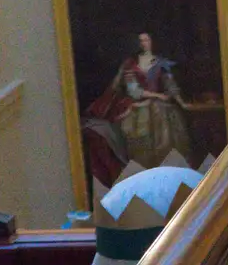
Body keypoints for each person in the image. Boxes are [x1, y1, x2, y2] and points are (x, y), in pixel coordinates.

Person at [80, 32, 198, 187]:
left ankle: (167, 181)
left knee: (166, 134)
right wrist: (157, 95)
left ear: (152, 41)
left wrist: (182, 103)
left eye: (146, 40)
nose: (143, 43)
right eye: (140, 41)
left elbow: (171, 86)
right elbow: (134, 91)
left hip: (161, 108)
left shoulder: (161, 63)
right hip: (137, 106)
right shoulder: (130, 65)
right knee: (139, 136)